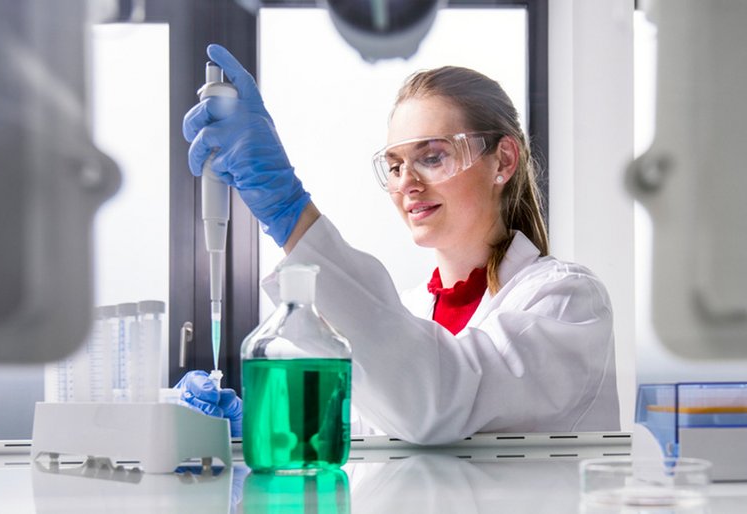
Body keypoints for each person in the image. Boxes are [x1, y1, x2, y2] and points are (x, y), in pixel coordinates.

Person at [177, 44, 618, 445]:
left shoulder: (567, 300)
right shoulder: (406, 315)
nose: (407, 182)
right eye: (394, 165)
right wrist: (249, 424)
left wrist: (289, 213)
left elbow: (435, 401)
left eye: (431, 157)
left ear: (502, 160)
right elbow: (347, 431)